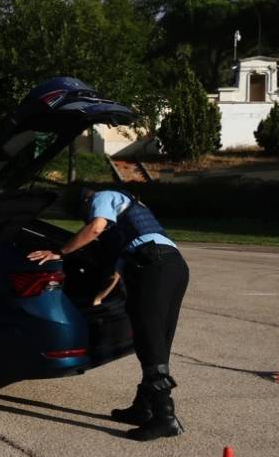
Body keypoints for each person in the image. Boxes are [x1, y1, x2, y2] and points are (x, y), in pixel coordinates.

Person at [28, 185, 190, 442]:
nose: (86, 216)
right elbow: (115, 274)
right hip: (172, 266)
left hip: (154, 266)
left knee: (150, 340)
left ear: (85, 200)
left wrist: (59, 252)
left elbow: (95, 228)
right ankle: (143, 407)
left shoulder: (103, 197)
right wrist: (98, 299)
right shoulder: (128, 226)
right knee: (157, 340)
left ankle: (164, 417)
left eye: (83, 212)